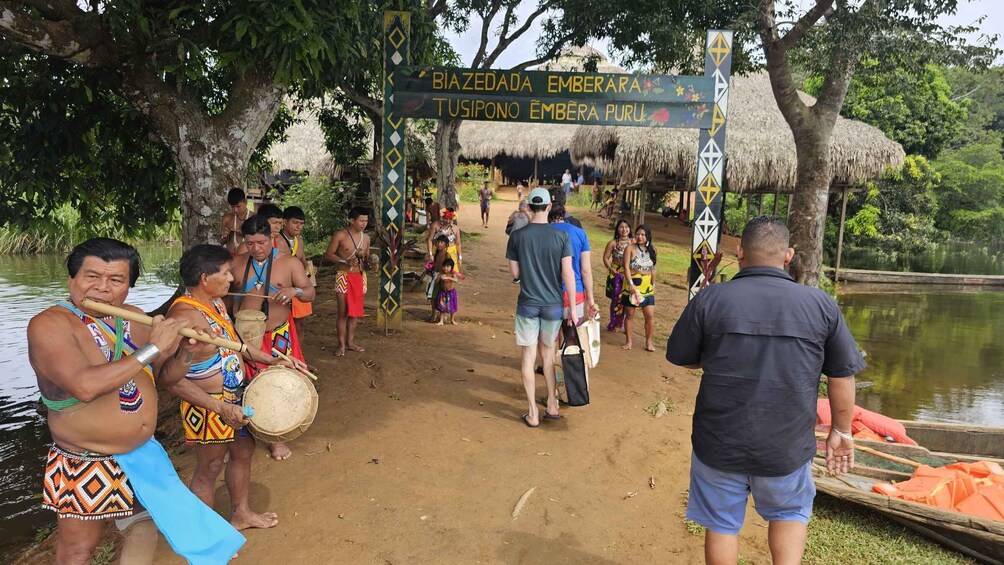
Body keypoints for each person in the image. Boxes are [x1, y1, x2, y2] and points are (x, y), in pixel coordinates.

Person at [27, 238, 244, 564]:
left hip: (142, 456)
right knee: (77, 551)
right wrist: (154, 347)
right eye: (91, 277)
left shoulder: (132, 318)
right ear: (72, 279)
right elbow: (85, 386)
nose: (102, 288)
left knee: (143, 529)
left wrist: (186, 353)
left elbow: (165, 380)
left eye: (116, 280)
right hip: (87, 459)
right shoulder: (50, 324)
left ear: (129, 286)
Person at [666, 216, 864, 565]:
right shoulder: (821, 305)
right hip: (786, 448)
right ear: (787, 256)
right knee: (789, 515)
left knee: (722, 524)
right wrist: (841, 431)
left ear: (740, 252)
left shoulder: (710, 299)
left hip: (719, 443)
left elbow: (681, 356)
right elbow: (841, 375)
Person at [169, 244, 286, 530]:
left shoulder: (216, 302)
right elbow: (170, 379)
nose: (232, 279)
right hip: (209, 404)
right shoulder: (182, 316)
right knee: (209, 468)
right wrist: (218, 406)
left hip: (235, 396)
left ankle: (241, 514)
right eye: (225, 273)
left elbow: (237, 345)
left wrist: (272, 360)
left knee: (244, 452)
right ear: (205, 278)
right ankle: (205, 537)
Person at [231, 215, 315, 461]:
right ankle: (237, 436)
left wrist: (295, 291)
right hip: (243, 334)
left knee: (281, 382)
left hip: (278, 333)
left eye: (261, 242)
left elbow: (310, 293)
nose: (256, 249)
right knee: (240, 383)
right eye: (250, 243)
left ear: (272, 238)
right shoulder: (236, 263)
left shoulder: (289, 263)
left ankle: (279, 438)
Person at [505, 187, 578, 428]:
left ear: (529, 208)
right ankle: (553, 405)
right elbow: (568, 273)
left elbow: (514, 273)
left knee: (528, 356)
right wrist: (574, 309)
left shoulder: (518, 236)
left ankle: (532, 413)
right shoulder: (561, 237)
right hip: (553, 306)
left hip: (528, 303)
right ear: (548, 207)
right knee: (547, 355)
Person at [324, 206, 371, 356]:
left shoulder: (367, 238)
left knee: (354, 313)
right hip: (344, 276)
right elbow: (329, 254)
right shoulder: (340, 235)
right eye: (361, 220)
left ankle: (350, 342)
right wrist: (345, 261)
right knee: (342, 312)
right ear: (352, 220)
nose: (364, 223)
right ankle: (341, 344)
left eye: (366, 220)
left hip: (360, 277)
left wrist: (370, 263)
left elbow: (367, 259)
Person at [548, 203, 598, 326]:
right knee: (571, 339)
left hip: (547, 291)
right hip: (576, 291)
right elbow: (586, 271)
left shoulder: (543, 233)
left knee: (549, 342)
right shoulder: (580, 233)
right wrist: (590, 299)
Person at [621, 225, 657, 352]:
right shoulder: (630, 248)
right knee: (630, 314)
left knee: (649, 315)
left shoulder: (652, 250)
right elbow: (626, 267)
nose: (639, 237)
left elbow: (653, 268)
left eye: (642, 234)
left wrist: (653, 284)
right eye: (638, 234)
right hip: (633, 285)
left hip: (647, 287)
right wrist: (630, 283)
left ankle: (649, 341)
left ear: (647, 236)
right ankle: (629, 341)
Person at [278, 206, 313, 326]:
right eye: (295, 223)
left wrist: (309, 270)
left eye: (301, 223)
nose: (298, 226)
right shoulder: (276, 240)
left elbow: (303, 261)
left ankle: (298, 346)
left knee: (300, 325)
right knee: (282, 322)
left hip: (298, 287)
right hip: (281, 288)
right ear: (285, 222)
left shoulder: (300, 241)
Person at [602, 219, 633, 332]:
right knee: (617, 299)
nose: (624, 230)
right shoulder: (613, 243)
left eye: (626, 227)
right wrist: (611, 269)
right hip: (616, 274)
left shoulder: (634, 242)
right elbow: (605, 258)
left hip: (629, 274)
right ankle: (615, 323)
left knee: (629, 300)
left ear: (629, 228)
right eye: (621, 227)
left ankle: (626, 323)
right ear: (617, 229)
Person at [221, 188, 253, 255]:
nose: (235, 209)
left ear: (245, 202)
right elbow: (222, 242)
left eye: (238, 206)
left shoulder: (254, 217)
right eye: (232, 207)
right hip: (230, 256)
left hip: (247, 257)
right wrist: (225, 236)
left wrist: (244, 233)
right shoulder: (227, 218)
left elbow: (259, 239)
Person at [427, 235, 450, 322]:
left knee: (442, 297)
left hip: (442, 277)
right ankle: (433, 313)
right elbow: (434, 264)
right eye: (438, 242)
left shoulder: (447, 255)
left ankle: (442, 315)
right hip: (435, 275)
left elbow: (448, 268)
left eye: (441, 242)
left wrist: (441, 275)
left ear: (446, 245)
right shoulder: (436, 253)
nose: (439, 244)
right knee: (433, 296)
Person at [434, 257, 460, 325]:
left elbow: (456, 280)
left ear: (451, 267)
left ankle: (452, 320)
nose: (445, 268)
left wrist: (448, 278)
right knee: (442, 307)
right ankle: (441, 321)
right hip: (443, 292)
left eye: (448, 266)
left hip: (451, 293)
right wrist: (439, 277)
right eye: (444, 266)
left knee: (453, 307)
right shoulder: (441, 273)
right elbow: (436, 282)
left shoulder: (452, 274)